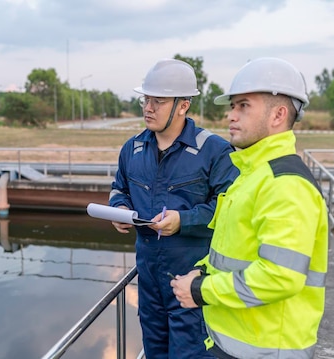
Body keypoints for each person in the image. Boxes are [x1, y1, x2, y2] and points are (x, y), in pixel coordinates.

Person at [170, 57, 329, 359]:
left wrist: (201, 291)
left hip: (267, 350)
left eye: (243, 106)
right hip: (238, 342)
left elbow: (279, 276)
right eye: (232, 107)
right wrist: (202, 272)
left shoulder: (285, 185)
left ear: (278, 115)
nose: (231, 116)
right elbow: (237, 252)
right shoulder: (252, 175)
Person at [109, 58, 239, 359]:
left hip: (191, 280)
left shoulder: (213, 150)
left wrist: (185, 220)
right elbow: (119, 188)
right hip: (149, 279)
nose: (148, 107)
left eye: (159, 100)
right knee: (155, 351)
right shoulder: (132, 148)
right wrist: (119, 208)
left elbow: (229, 210)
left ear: (184, 105)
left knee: (190, 353)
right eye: (145, 99)